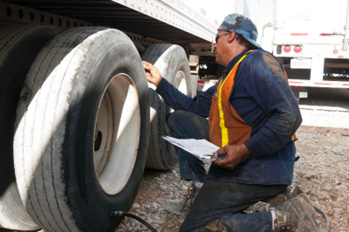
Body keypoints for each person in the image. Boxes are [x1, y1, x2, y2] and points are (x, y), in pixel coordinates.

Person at [143, 13, 321, 232]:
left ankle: (285, 217)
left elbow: (290, 117)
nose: (213, 46)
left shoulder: (257, 62)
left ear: (230, 36)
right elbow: (194, 107)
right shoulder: (232, 74)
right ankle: (202, 187)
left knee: (195, 229)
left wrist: (243, 151)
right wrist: (160, 82)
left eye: (215, 38)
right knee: (180, 119)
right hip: (242, 159)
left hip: (260, 169)